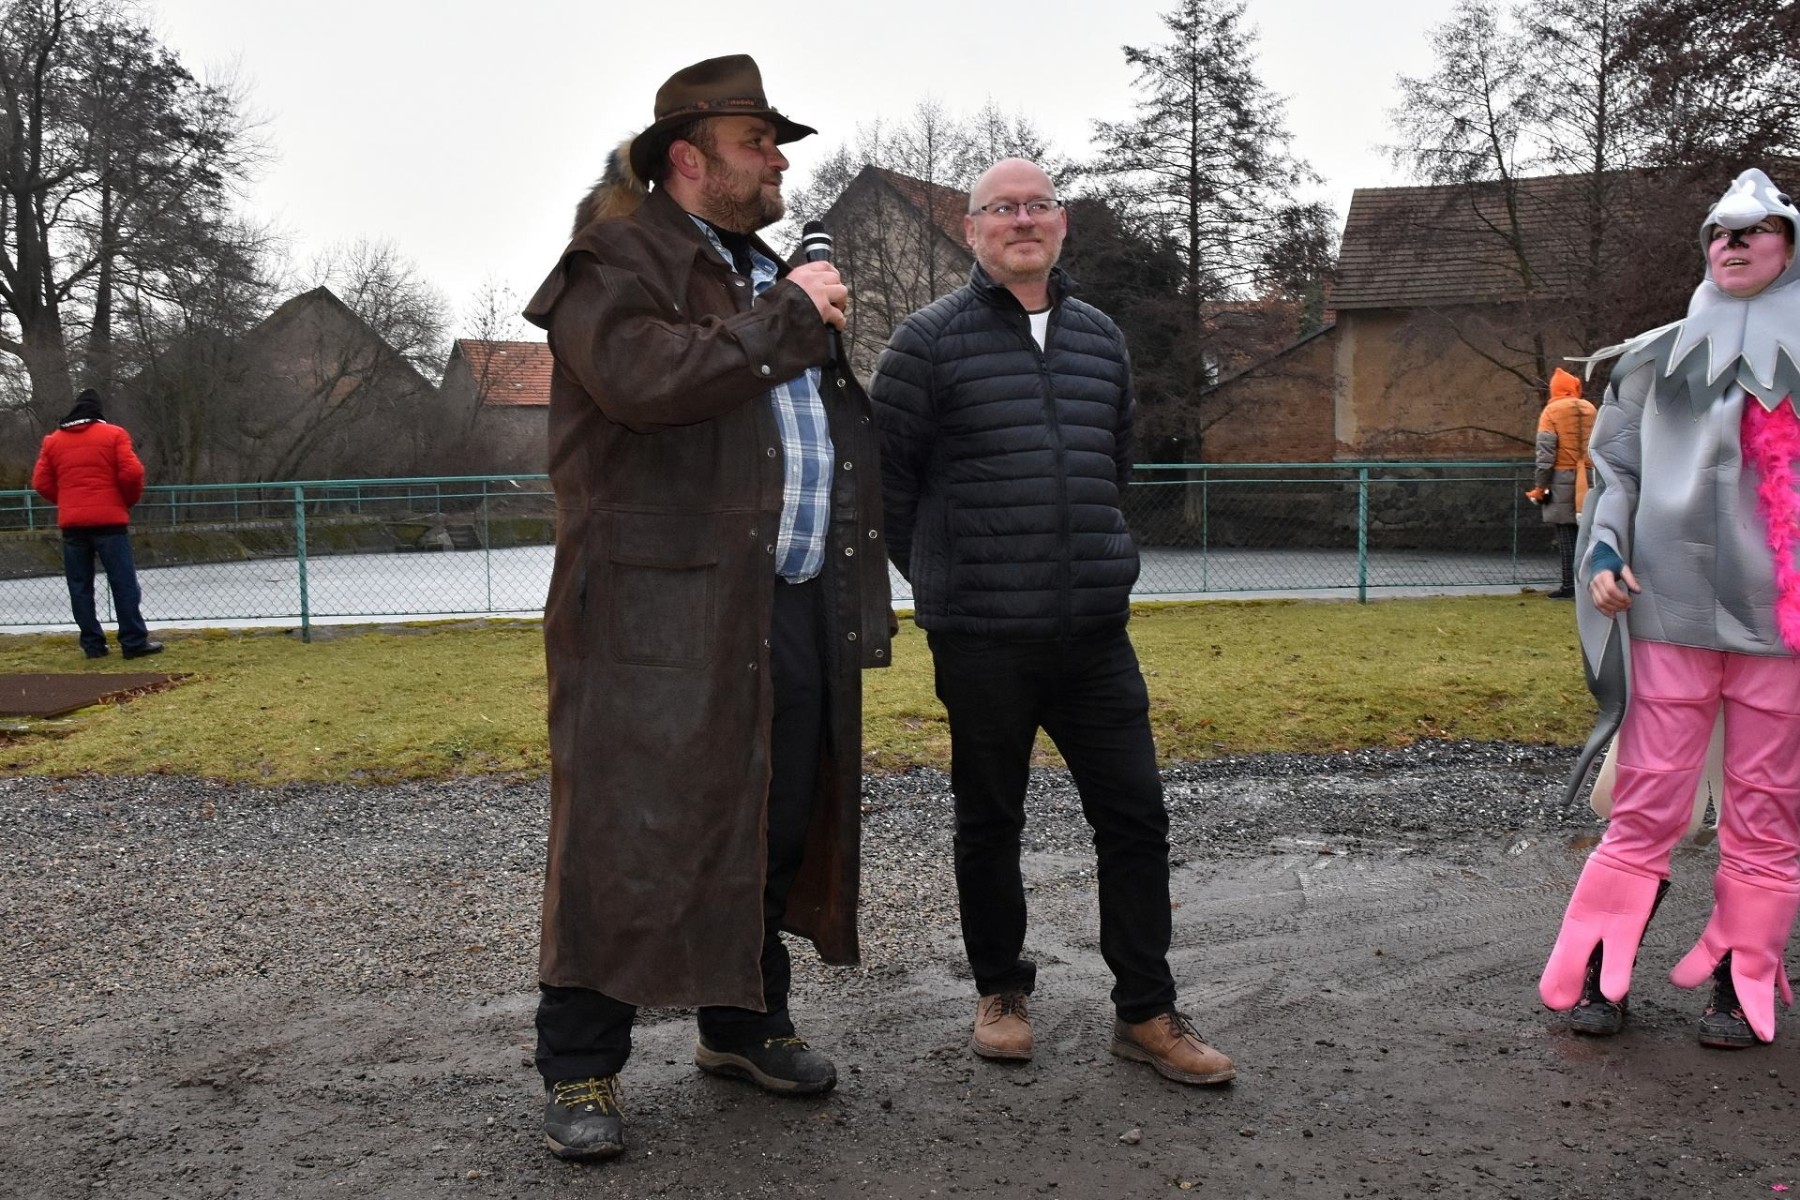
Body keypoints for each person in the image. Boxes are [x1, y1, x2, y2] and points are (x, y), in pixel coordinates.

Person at [519, 55, 891, 1161]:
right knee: (625, 829)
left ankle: (742, 1024)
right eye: (757, 143)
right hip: (650, 611)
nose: (780, 162)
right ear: (689, 157)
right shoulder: (613, 260)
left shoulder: (760, 267)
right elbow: (647, 382)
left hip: (784, 591)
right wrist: (791, 316)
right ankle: (581, 1064)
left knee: (771, 809)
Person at [868, 158, 1234, 1087]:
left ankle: (1146, 1011)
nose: (1022, 220)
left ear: (1061, 223)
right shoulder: (926, 342)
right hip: (982, 637)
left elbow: (1113, 465)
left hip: (1094, 636)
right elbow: (888, 486)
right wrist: (948, 578)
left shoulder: (1100, 338)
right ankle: (1001, 992)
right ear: (972, 229)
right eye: (1003, 208)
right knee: (990, 821)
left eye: (1038, 205)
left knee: (1136, 819)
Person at [1540, 167, 1800, 1048]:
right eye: (1720, 231)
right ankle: (1602, 975)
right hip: (1666, 612)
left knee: (1766, 811)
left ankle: (1741, 980)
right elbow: (1616, 470)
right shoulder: (1653, 361)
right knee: (1646, 804)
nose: (1733, 242)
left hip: (1782, 628)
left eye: (1754, 230)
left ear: (1789, 247)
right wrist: (1604, 548)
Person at [31, 388, 161, 660]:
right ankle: (133, 642)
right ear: (98, 412)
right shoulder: (114, 435)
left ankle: (92, 645)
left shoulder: (53, 441)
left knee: (80, 586)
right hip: (110, 522)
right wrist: (126, 501)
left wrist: (67, 501)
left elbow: (40, 483)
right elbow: (133, 472)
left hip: (73, 525)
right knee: (123, 582)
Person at [1525, 367, 1596, 599]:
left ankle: (1569, 586)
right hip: (1590, 477)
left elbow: (1545, 455)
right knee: (1589, 533)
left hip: (1561, 478)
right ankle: (1590, 584)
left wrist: (1541, 486)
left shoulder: (1551, 412)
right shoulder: (1590, 409)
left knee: (1566, 534)